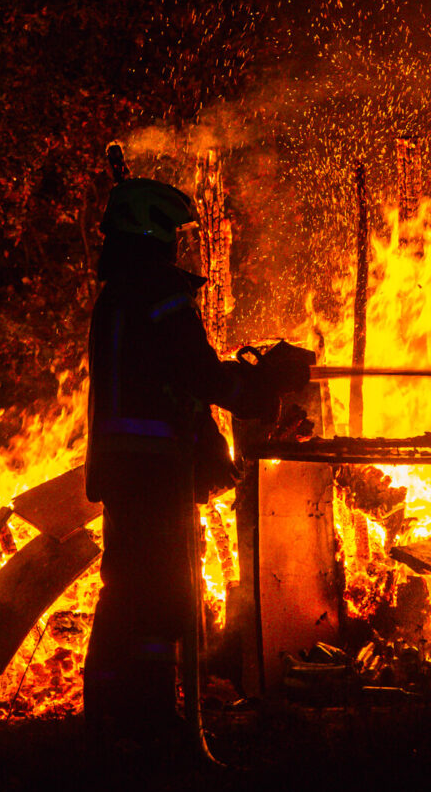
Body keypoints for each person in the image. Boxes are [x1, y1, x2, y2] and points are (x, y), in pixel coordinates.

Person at [83, 176, 304, 746]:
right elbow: (197, 372)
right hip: (156, 470)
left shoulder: (117, 295)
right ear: (153, 229)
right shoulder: (160, 291)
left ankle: (105, 712)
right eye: (174, 233)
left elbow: (164, 379)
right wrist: (263, 390)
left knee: (124, 591)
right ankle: (154, 720)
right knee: (163, 595)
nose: (178, 245)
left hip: (122, 469)